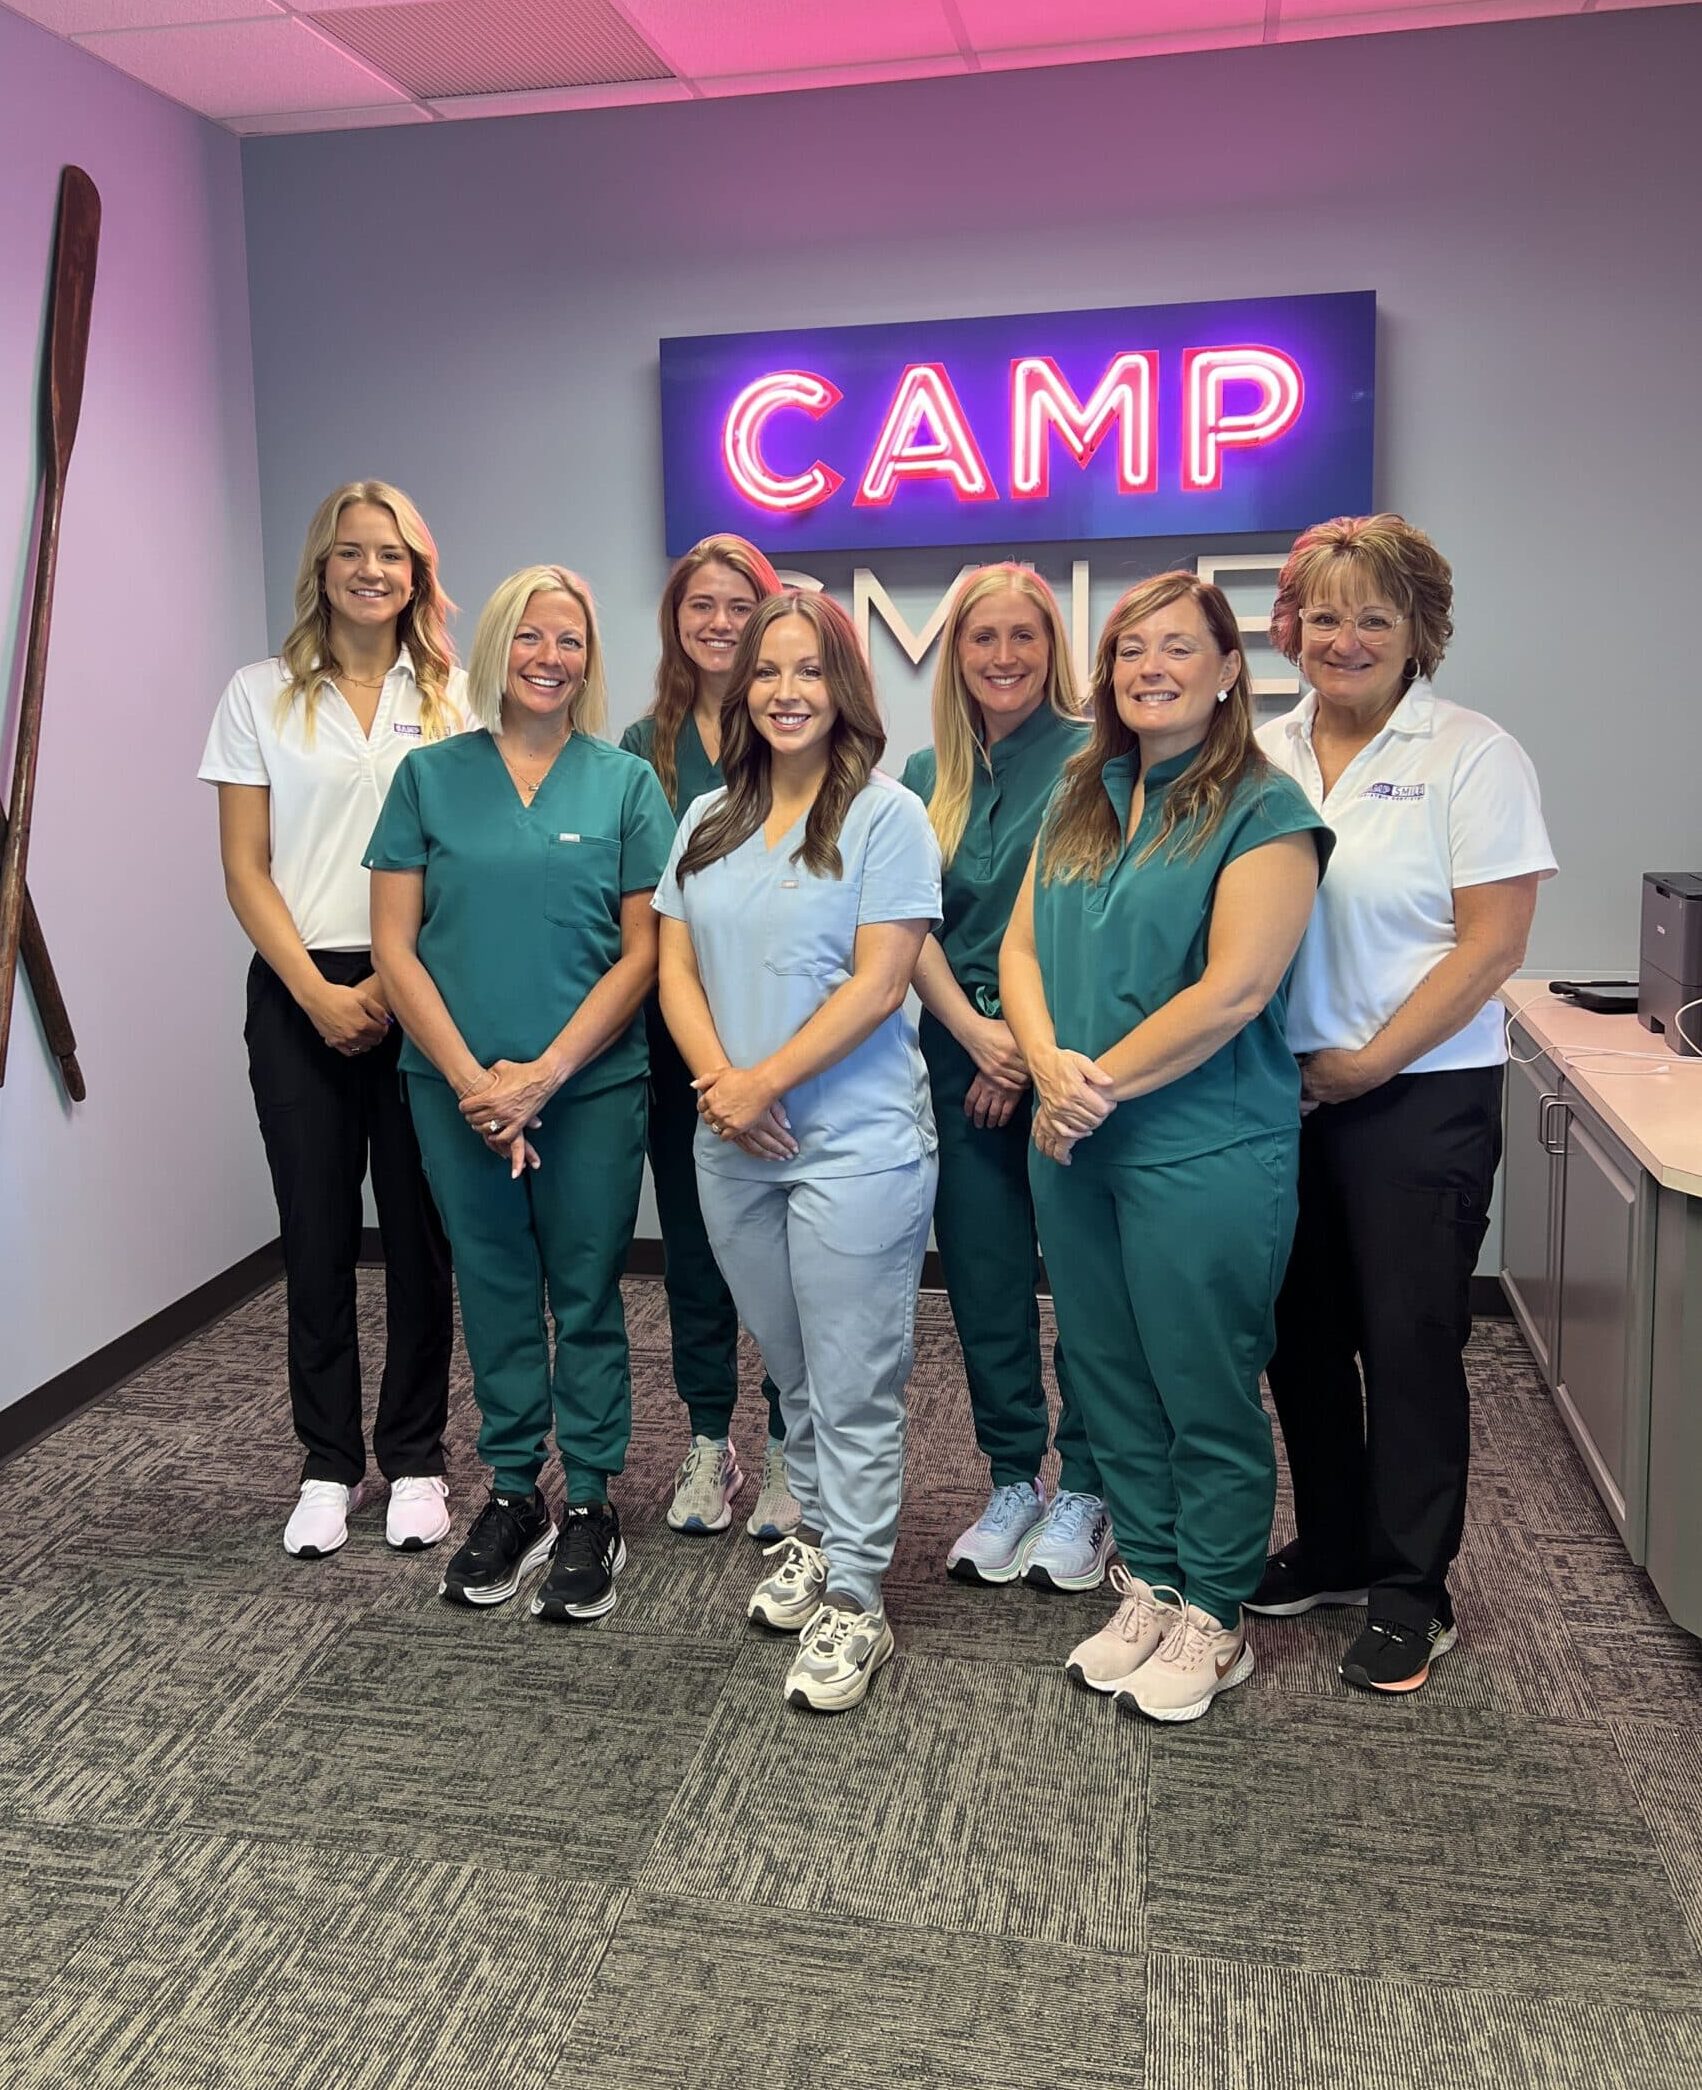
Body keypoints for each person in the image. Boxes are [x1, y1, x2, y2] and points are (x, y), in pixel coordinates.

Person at [1002, 572, 1331, 1724]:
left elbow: (1235, 989)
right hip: (1072, 1139)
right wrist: (1046, 1064)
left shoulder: (1264, 809)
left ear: (1230, 669)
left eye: (1178, 648)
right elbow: (1020, 955)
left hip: (1201, 1146)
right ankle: (1148, 1578)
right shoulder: (1079, 793)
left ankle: (1217, 1612)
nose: (1150, 667)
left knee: (1202, 1384)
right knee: (1105, 1374)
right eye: (1130, 648)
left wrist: (1087, 1086)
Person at [1249, 514, 1555, 1693]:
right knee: (1302, 1336)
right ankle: (1332, 1542)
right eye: (1322, 614)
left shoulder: (1470, 753)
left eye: (1373, 614)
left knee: (1410, 1338)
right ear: (1290, 628)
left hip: (1415, 1093)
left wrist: (1370, 1061)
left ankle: (1412, 1589)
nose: (1344, 636)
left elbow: (1492, 945)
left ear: (1419, 630)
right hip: (1284, 1095)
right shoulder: (1263, 750)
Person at [367, 566, 674, 1622]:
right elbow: (394, 948)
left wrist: (542, 1075)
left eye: (572, 641)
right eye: (532, 637)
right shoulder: (428, 776)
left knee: (585, 1289)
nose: (551, 658)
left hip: (589, 1087)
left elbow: (642, 955)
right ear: (496, 646)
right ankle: (514, 1490)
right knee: (493, 1285)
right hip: (453, 1092)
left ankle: (590, 1499)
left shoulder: (625, 782)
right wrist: (472, 1081)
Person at [654, 589, 941, 1712]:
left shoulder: (885, 816)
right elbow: (674, 970)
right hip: (732, 1144)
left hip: (854, 1146)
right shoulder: (705, 821)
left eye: (808, 671)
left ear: (844, 689)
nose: (783, 691)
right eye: (767, 671)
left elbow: (880, 981)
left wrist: (761, 1081)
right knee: (791, 1367)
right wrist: (725, 1092)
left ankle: (859, 1598)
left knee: (855, 1377)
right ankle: (822, 1538)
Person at [200, 479, 463, 1561]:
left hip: (425, 987)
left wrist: (400, 992)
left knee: (419, 1233)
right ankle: (326, 1462)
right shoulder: (258, 692)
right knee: (314, 1232)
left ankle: (414, 1457)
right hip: (298, 983)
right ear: (321, 566)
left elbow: (468, 855)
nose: (371, 570)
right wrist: (313, 988)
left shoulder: (456, 695)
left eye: (392, 554)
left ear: (418, 573)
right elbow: (243, 866)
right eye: (352, 551)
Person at [899, 566, 1108, 1591]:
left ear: (1051, 646)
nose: (1003, 656)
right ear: (957, 651)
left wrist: (1020, 1048)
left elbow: (1092, 920)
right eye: (983, 637)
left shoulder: (1094, 761)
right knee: (984, 1285)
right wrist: (973, 1036)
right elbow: (905, 927)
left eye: (1023, 635)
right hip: (953, 1058)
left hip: (1063, 1062)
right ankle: (1013, 1479)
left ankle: (1090, 1486)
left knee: (1083, 1287)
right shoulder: (920, 770)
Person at [620, 535, 796, 1542]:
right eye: (701, 605)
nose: (720, 621)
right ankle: (707, 1437)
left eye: (739, 603)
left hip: (782, 1045)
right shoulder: (641, 748)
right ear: (676, 621)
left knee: (777, 1256)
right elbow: (646, 919)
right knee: (693, 1250)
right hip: (672, 1045)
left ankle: (785, 1443)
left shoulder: (791, 725)